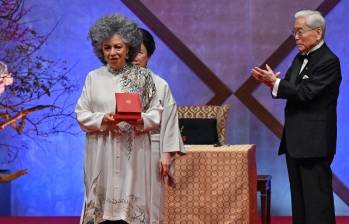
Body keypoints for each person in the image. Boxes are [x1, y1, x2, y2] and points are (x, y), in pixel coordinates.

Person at [251, 10, 341, 224]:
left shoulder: (329, 61)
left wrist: (277, 83)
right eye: (294, 32)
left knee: (317, 203)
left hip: (315, 143)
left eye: (300, 32)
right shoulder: (299, 58)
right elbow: (290, 87)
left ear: (318, 33)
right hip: (295, 142)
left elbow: (305, 93)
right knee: (299, 203)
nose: (296, 37)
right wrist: (273, 83)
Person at [75, 15, 163, 224]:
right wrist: (103, 119)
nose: (112, 53)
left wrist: (139, 120)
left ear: (128, 48)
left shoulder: (143, 78)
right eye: (107, 48)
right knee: (101, 212)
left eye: (117, 47)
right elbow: (81, 114)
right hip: (101, 150)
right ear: (100, 50)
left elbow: (157, 113)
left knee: (130, 213)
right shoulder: (93, 78)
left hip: (133, 152)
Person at [133, 28, 186, 223]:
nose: (134, 57)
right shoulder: (110, 82)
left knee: (150, 204)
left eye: (139, 51)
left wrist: (166, 154)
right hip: (121, 147)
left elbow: (170, 120)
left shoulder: (160, 84)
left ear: (149, 54)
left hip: (151, 147)